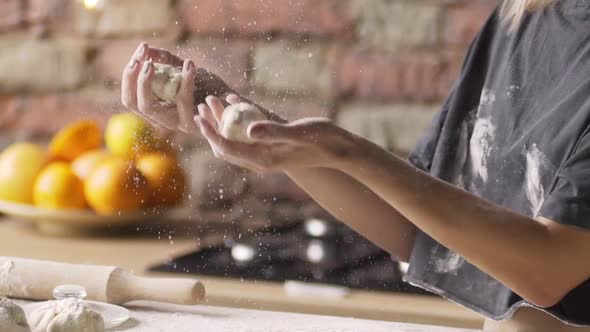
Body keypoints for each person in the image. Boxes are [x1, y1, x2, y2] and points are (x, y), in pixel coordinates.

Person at [121, 0, 590, 330]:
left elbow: (547, 270)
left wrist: (346, 150)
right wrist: (256, 125)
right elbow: (421, 234)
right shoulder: (526, 14)